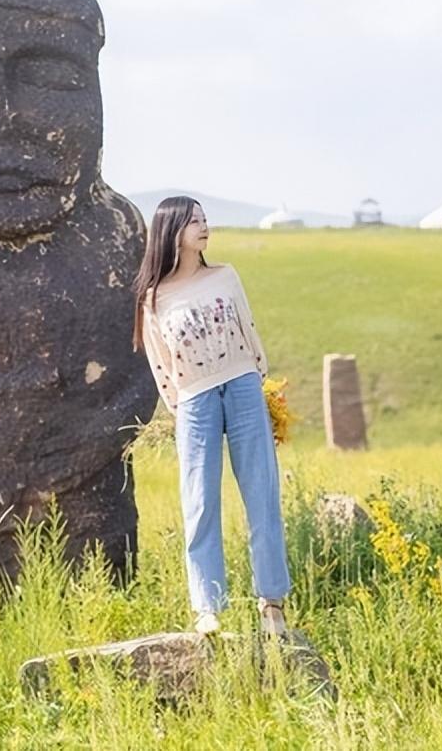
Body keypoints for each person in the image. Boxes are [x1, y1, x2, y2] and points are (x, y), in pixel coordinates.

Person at [132, 195, 292, 637]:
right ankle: (208, 607)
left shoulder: (225, 277)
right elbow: (160, 364)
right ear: (171, 232)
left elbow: (249, 329)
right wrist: (181, 405)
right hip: (195, 401)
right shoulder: (154, 298)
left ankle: (272, 603)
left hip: (242, 386)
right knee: (200, 503)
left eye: (205, 219)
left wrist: (258, 382)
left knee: (262, 497)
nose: (204, 227)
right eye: (194, 221)